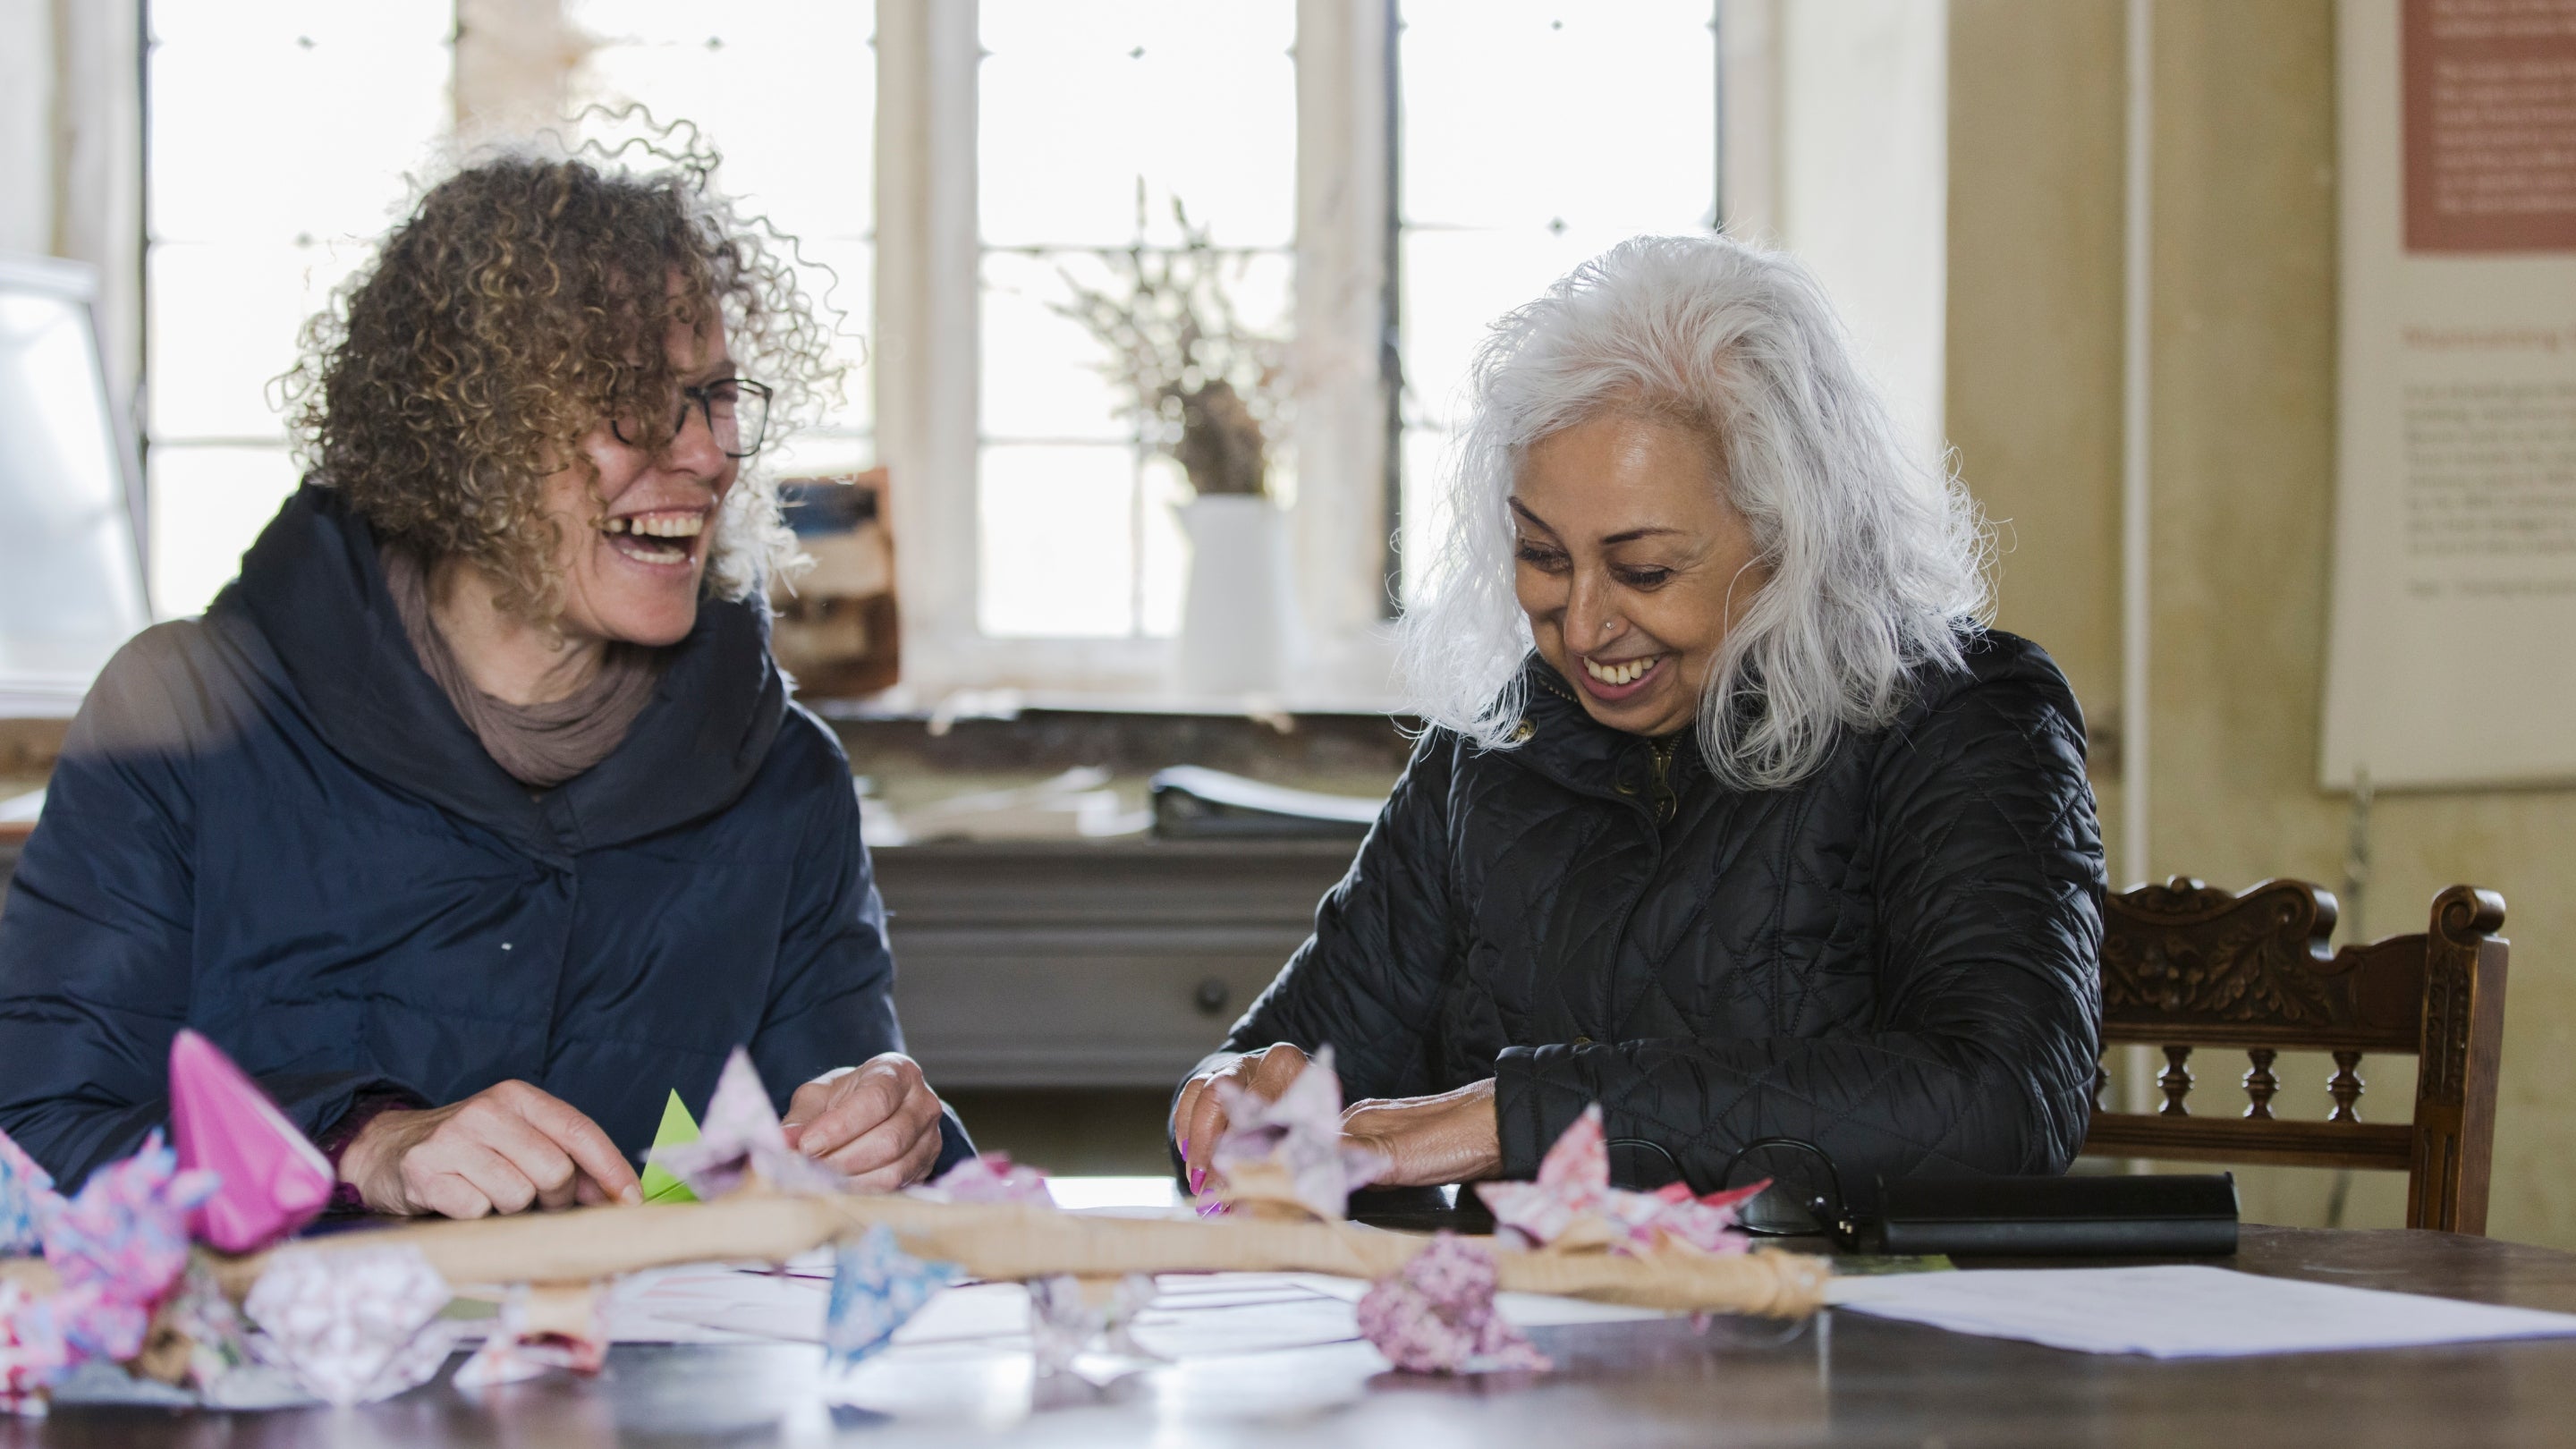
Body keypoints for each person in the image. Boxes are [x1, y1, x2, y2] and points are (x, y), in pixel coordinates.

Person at [0, 146, 969, 1216]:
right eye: (632, 404)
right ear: (462, 441)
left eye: (713, 396)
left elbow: (845, 1172)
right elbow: (39, 1142)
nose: (704, 454)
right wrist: (355, 1147)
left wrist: (891, 1130)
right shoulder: (177, 723)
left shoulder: (786, 779)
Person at [1174, 236, 2103, 1214]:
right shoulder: (1485, 755)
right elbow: (1291, 1060)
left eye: (1644, 570)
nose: (1581, 626)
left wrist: (1519, 1118)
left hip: (1836, 1345)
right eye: (1542, 555)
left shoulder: (1967, 719)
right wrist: (1223, 1099)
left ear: (1794, 535)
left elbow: (2003, 1104)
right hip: (1530, 1349)